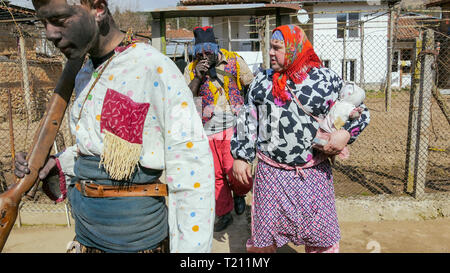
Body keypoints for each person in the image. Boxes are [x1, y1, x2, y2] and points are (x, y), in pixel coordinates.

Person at [14, 0, 215, 253]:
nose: (50, 34)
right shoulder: (83, 73)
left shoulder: (154, 67)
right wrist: (55, 164)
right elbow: (94, 148)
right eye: (44, 23)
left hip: (138, 244)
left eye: (60, 21)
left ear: (98, 9)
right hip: (87, 239)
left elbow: (192, 168)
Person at [231, 25, 370, 253]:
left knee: (322, 240)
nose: (271, 53)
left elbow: (361, 111)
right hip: (271, 176)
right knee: (264, 241)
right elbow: (248, 120)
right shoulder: (261, 83)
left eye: (278, 48)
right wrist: (241, 157)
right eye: (271, 48)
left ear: (295, 49)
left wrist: (345, 133)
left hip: (314, 175)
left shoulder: (326, 81)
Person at [184, 26, 254, 232]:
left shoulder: (234, 61)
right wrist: (197, 77)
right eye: (200, 54)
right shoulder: (190, 69)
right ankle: (223, 213)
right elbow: (186, 100)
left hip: (233, 124)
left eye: (208, 53)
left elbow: (251, 86)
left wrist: (248, 119)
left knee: (234, 169)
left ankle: (239, 193)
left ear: (216, 49)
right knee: (214, 174)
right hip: (206, 128)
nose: (204, 57)